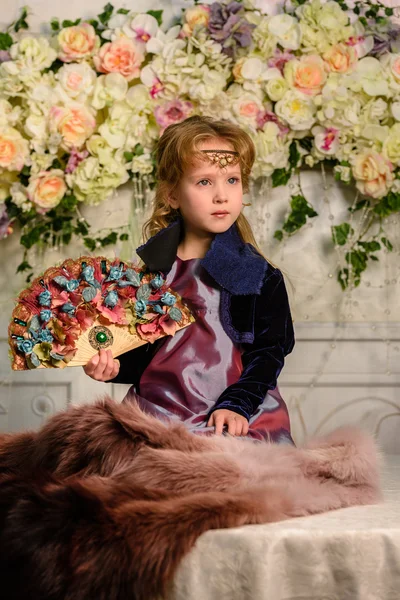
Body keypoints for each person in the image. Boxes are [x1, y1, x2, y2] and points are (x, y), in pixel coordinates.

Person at [83, 115, 295, 443]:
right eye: (204, 182)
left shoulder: (257, 276)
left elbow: (267, 355)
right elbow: (143, 355)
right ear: (172, 195)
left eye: (232, 180)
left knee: (230, 478)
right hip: (159, 413)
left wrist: (237, 405)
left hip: (234, 415)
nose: (222, 196)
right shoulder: (149, 276)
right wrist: (111, 366)